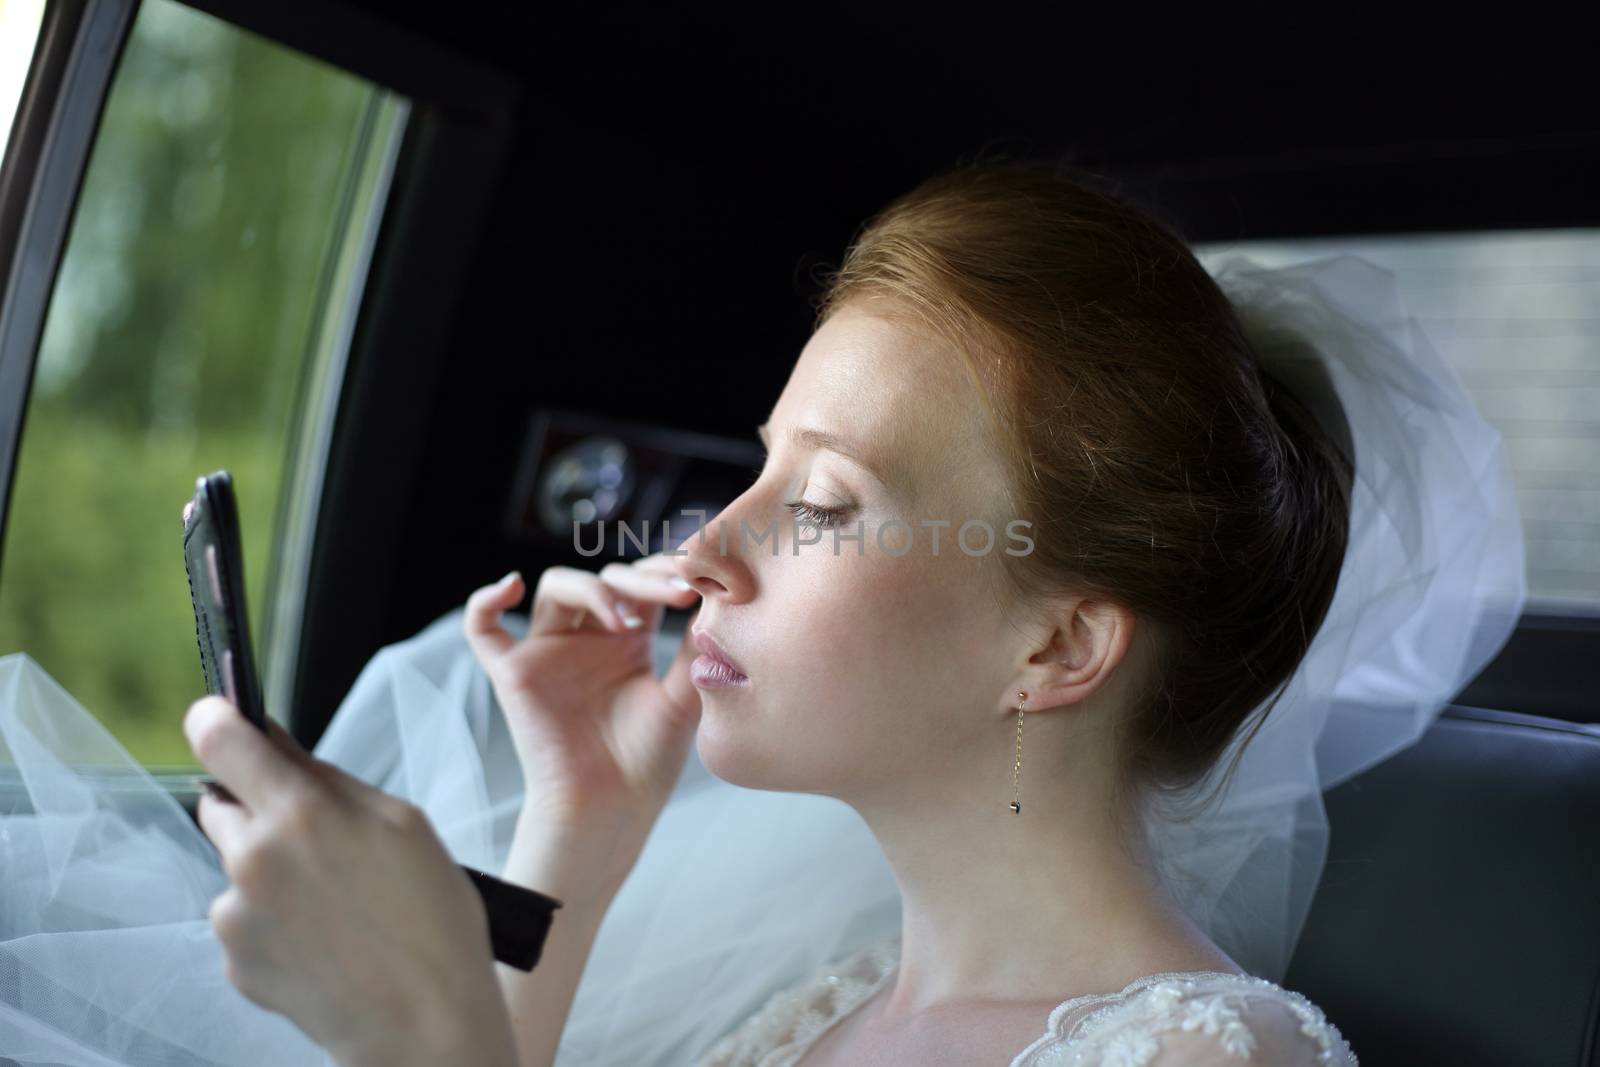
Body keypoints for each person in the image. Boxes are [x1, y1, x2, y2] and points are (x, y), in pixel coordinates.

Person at [0, 156, 1523, 1066]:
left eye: (827, 504)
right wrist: (577, 834)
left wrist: (426, 1031)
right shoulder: (829, 1004)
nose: (704, 548)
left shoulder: (1202, 1061)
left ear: (1057, 646)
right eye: (755, 471)